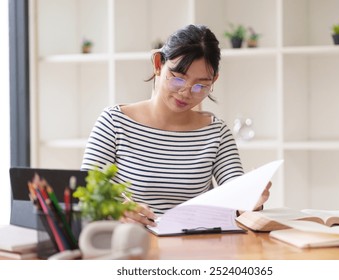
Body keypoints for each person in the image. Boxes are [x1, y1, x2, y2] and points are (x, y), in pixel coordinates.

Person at [81, 24, 271, 226]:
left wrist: (252, 199)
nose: (186, 93)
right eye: (178, 79)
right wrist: (116, 211)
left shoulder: (216, 133)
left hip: (195, 247)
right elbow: (85, 196)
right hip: (131, 244)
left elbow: (237, 199)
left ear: (214, 80)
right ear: (158, 64)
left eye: (201, 86)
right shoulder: (114, 122)